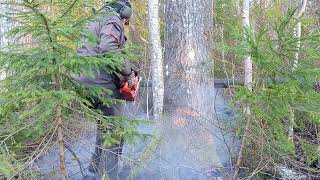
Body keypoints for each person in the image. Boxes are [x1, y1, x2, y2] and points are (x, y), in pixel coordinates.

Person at [73, 0, 136, 177]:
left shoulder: (93, 20)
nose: (124, 23)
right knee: (116, 129)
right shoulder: (112, 20)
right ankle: (110, 175)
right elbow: (108, 48)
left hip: (82, 82)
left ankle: (94, 170)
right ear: (124, 12)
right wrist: (129, 73)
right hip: (99, 82)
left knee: (104, 126)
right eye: (125, 20)